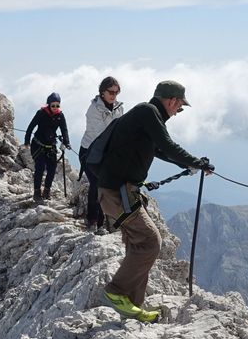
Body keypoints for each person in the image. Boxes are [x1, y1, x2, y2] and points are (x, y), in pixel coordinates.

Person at [97, 80, 214, 323]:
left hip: (118, 191)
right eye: (179, 107)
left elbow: (158, 150)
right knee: (150, 242)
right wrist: (197, 163)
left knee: (136, 242)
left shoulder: (146, 116)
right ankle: (116, 292)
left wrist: (189, 163)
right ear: (172, 100)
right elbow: (166, 145)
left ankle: (133, 307)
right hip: (118, 193)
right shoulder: (148, 112)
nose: (177, 112)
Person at [78, 76, 123, 231]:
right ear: (102, 92)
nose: (114, 95)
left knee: (104, 185)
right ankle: (93, 221)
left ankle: (101, 222)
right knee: (97, 184)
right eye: (111, 92)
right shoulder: (94, 110)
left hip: (106, 154)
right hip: (89, 153)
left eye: (116, 93)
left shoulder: (118, 108)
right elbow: (101, 134)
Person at [23, 92, 71, 203]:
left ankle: (46, 191)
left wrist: (66, 142)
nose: (55, 108)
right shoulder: (41, 113)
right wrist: (26, 141)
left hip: (50, 145)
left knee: (52, 169)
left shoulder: (60, 115)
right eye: (53, 105)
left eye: (57, 105)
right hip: (38, 144)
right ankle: (36, 192)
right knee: (39, 168)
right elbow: (31, 127)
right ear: (48, 104)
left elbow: (64, 130)